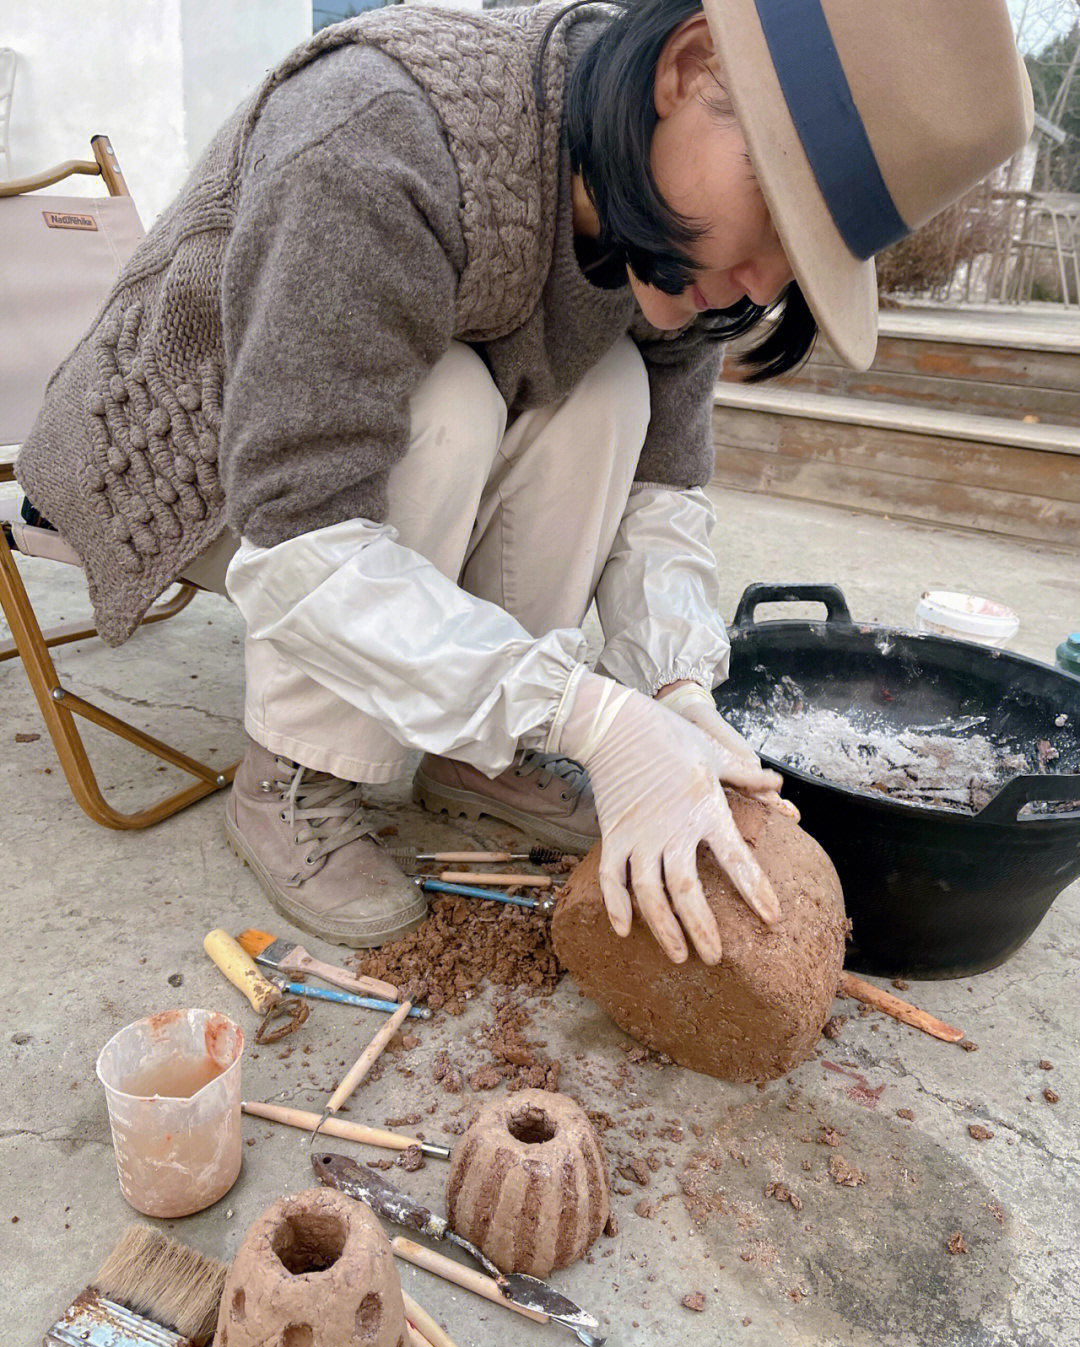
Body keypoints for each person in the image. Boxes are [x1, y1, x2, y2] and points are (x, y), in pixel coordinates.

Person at [16, 0, 1032, 962]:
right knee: (452, 402)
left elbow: (660, 494)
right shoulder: (380, 134)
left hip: (351, 459)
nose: (765, 284)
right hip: (196, 465)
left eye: (802, 262)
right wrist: (580, 712)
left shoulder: (673, 234)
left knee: (611, 393)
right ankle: (293, 775)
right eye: (780, 211)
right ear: (687, 70)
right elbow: (299, 527)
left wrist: (673, 686)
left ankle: (475, 755)